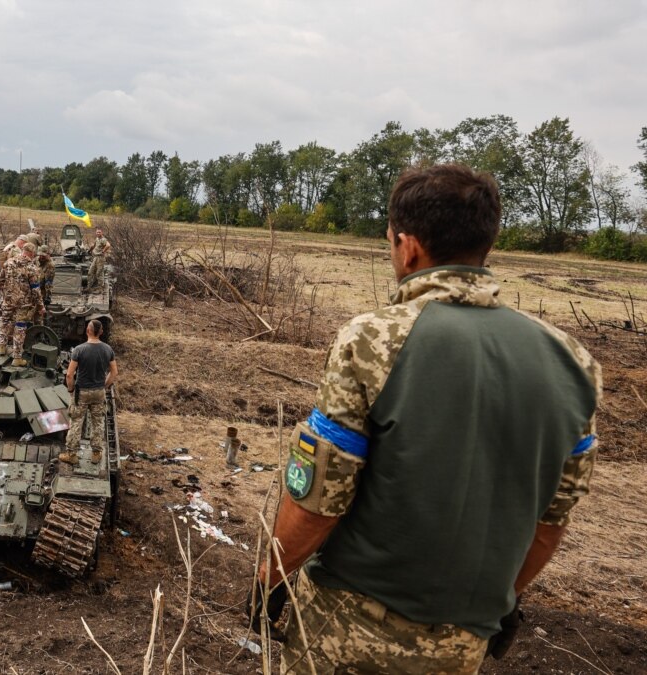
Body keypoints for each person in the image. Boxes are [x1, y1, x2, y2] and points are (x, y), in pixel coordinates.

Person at [251, 164, 601, 673]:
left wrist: (271, 580)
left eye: (391, 242)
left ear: (408, 246)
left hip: (347, 628)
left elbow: (319, 502)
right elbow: (550, 521)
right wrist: (497, 601)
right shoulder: (574, 361)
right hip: (463, 641)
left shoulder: (373, 339)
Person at [61, 320, 117, 466]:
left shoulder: (79, 350)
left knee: (76, 422)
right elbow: (114, 372)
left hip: (82, 392)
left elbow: (69, 374)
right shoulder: (108, 349)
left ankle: (72, 455)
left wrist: (71, 389)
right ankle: (96, 453)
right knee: (98, 423)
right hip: (99, 392)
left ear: (87, 331)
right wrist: (104, 386)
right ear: (101, 332)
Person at [0, 242, 45, 365]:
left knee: (4, 320)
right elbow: (35, 289)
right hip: (23, 303)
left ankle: (1, 347)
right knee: (20, 327)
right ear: (32, 253)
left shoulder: (9, 262)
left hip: (8, 299)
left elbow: (1, 280)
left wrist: (5, 294)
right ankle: (17, 358)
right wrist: (40, 306)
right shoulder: (31, 267)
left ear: (23, 250)